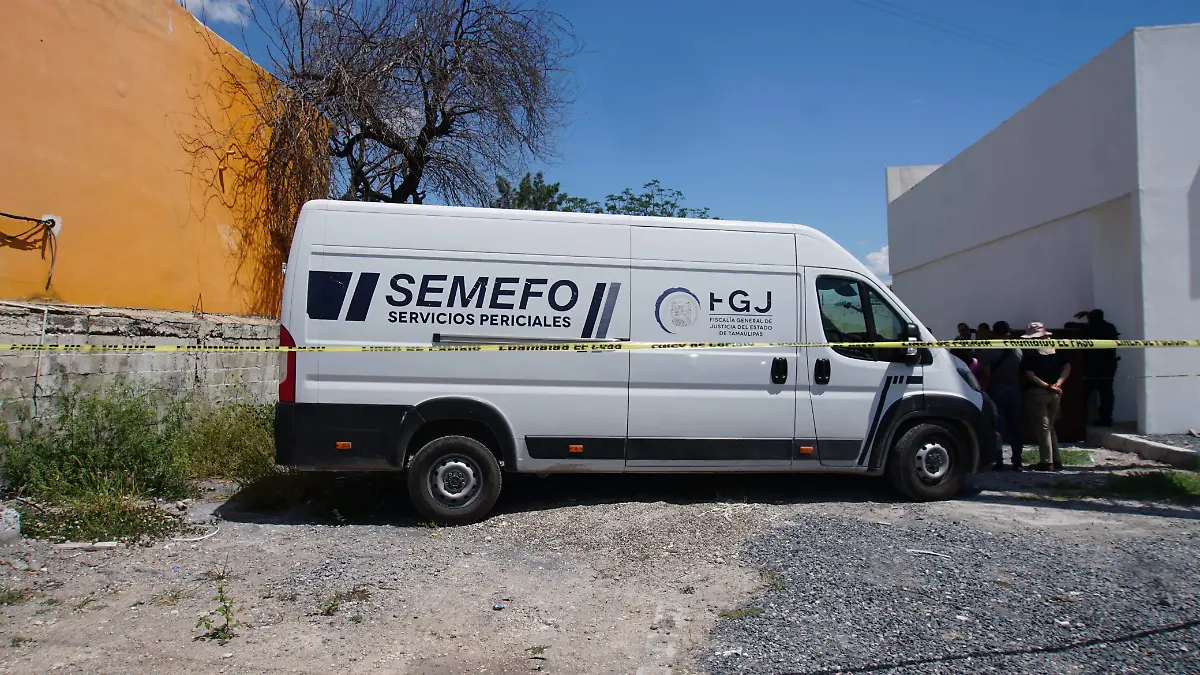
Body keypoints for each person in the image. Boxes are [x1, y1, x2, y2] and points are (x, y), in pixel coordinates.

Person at [1020, 322, 1071, 471]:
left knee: (1042, 428)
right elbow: (1067, 367)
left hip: (1037, 392)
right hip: (1055, 392)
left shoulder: (1030, 350)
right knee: (1050, 427)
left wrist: (1046, 386)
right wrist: (1058, 384)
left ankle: (1046, 461)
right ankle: (1056, 459)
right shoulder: (1056, 347)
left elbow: (1029, 374)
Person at [977, 320, 1023, 471]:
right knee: (1015, 427)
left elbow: (985, 372)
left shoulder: (990, 348)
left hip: (996, 390)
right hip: (1015, 390)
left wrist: (983, 390)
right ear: (1008, 332)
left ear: (993, 332)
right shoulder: (1017, 349)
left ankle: (998, 460)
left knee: (998, 427)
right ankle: (1017, 461)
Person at [1072, 309, 1120, 427]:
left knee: (1083, 394)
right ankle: (1106, 419)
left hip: (1092, 367)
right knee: (1106, 394)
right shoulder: (1110, 327)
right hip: (1108, 366)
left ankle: (1080, 420)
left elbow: (1069, 325)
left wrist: (1087, 315)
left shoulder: (1089, 328)